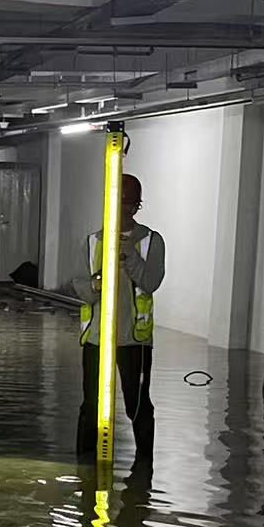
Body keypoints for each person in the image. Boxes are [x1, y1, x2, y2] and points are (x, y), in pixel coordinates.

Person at [73, 173, 165, 459]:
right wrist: (98, 281)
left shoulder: (151, 241)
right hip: (97, 339)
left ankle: (144, 470)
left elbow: (150, 283)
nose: (123, 209)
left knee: (137, 405)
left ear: (138, 206)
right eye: (119, 202)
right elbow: (80, 288)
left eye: (129, 204)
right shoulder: (92, 243)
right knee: (91, 405)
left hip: (133, 341)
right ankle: (85, 473)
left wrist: (130, 257)